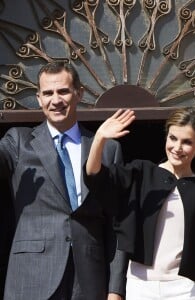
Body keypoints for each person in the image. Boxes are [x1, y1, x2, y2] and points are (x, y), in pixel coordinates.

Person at [0, 61, 126, 300]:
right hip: (32, 279)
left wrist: (115, 289)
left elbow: (117, 223)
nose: (55, 100)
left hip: (89, 280)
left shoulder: (108, 149)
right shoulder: (18, 141)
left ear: (79, 93)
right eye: (47, 93)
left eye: (63, 91)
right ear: (38, 98)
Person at [85, 107, 195, 300]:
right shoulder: (141, 172)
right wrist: (100, 138)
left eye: (186, 142)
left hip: (185, 288)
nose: (177, 147)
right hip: (141, 285)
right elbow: (95, 177)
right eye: (173, 138)